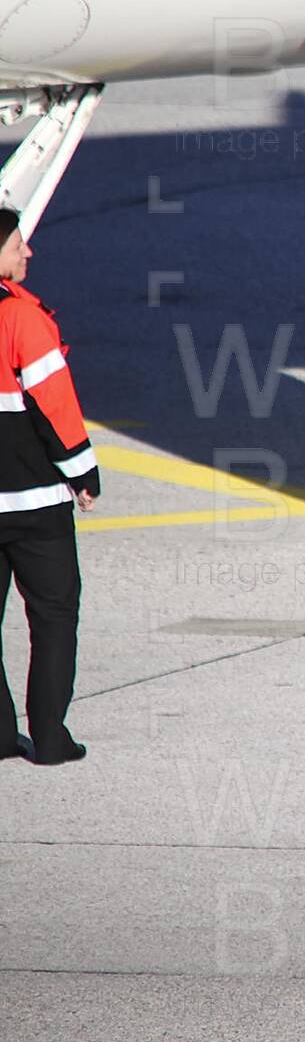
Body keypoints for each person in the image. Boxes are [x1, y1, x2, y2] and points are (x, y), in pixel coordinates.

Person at [0, 207, 100, 764]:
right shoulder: (20, 318)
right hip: (34, 504)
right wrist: (82, 472)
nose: (27, 252)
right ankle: (50, 736)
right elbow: (54, 406)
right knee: (54, 616)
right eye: (18, 244)